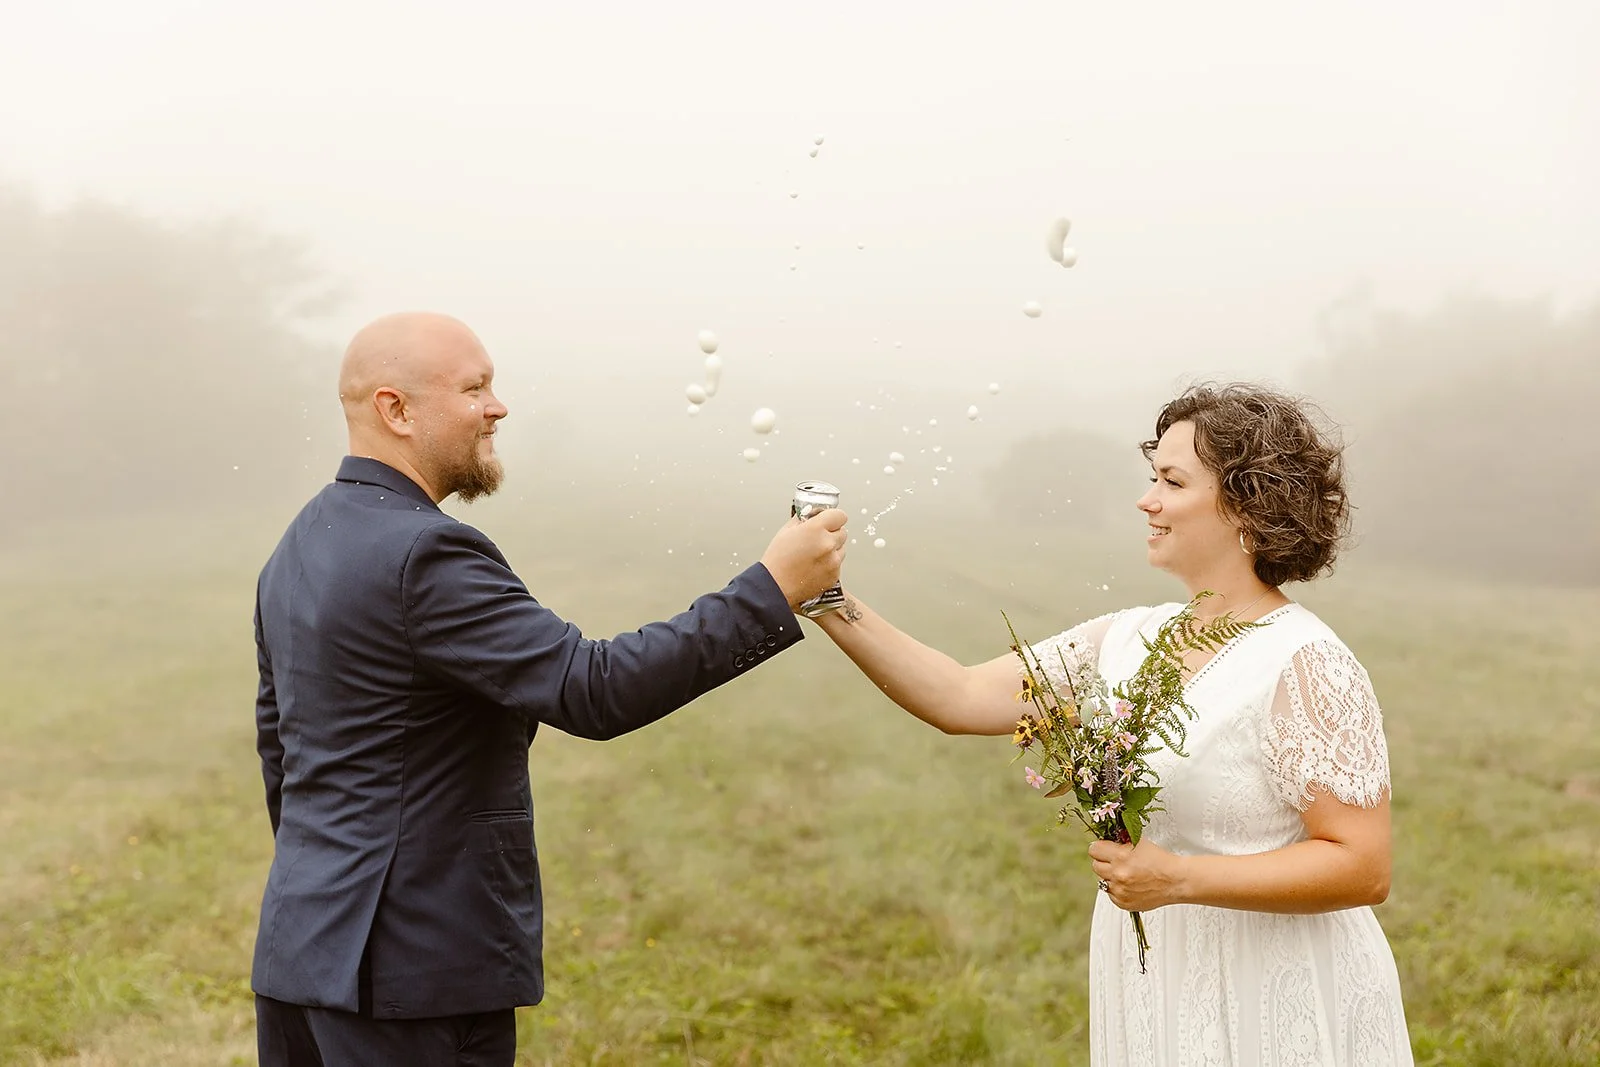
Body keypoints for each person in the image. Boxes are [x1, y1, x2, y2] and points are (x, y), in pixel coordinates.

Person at [250, 311, 848, 1067]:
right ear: (395, 410)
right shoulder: (426, 552)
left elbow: (284, 758)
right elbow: (595, 688)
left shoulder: (296, 546)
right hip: (414, 982)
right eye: (475, 387)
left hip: (299, 961)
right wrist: (771, 589)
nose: (498, 406)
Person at [814, 382, 1413, 1065]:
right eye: (1150, 477)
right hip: (1156, 984)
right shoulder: (1128, 638)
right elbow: (960, 694)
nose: (1146, 499)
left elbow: (1363, 865)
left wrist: (1180, 880)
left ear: (1246, 506)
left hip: (1276, 994)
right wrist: (827, 599)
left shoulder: (1305, 661)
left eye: (1171, 481)